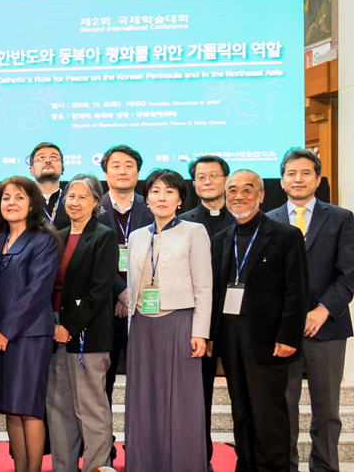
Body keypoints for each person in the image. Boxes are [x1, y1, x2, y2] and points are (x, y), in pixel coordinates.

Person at [209, 170, 309, 472]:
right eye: (232, 190)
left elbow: (297, 291)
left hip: (269, 339)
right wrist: (212, 337)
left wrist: (288, 336)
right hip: (230, 338)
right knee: (240, 411)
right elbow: (215, 291)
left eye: (247, 189)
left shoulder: (285, 235)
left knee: (269, 414)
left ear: (261, 195)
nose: (238, 196)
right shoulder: (221, 239)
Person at [267, 149, 354, 472]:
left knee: (327, 410)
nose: (298, 179)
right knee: (283, 407)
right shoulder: (268, 220)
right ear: (282, 180)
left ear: (318, 179)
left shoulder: (341, 218)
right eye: (291, 173)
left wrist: (322, 310)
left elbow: (348, 274)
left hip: (328, 327)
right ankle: (286, 466)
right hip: (282, 330)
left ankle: (325, 467)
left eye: (306, 173)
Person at [123, 169, 211, 471]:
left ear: (180, 199)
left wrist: (200, 331)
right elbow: (132, 284)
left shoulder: (194, 231)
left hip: (180, 323)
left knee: (181, 401)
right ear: (146, 198)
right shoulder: (137, 236)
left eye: (169, 191)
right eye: (156, 191)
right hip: (142, 325)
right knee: (143, 399)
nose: (162, 197)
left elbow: (204, 287)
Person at [0, 176, 60, 472]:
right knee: (10, 408)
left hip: (29, 335)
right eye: (6, 198)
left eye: (19, 197)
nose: (11, 203)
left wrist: (6, 331)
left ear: (32, 204)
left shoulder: (44, 240)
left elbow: (36, 292)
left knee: (28, 408)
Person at [46, 174, 117, 472]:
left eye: (82, 197)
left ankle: (97, 467)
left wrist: (69, 327)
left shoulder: (103, 236)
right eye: (71, 196)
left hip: (86, 333)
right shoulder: (58, 235)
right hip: (53, 330)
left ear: (95, 202)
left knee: (91, 409)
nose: (74, 202)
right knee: (59, 410)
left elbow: (99, 291)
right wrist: (52, 325)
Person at [178, 155, 234, 470]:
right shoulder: (182, 222)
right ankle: (201, 458)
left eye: (214, 175)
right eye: (201, 177)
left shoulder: (243, 218)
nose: (207, 181)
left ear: (226, 179)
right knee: (199, 396)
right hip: (198, 324)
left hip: (238, 323)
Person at [97, 144, 152, 419]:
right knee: (101, 383)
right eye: (115, 166)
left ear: (138, 173)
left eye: (129, 166)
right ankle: (102, 442)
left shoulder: (152, 207)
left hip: (144, 308)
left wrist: (132, 295)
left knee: (145, 381)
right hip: (103, 309)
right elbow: (91, 261)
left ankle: (142, 439)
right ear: (105, 173)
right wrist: (120, 292)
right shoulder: (92, 208)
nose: (122, 171)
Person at [29, 142, 70, 230]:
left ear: (62, 169)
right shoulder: (24, 202)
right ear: (32, 170)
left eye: (54, 158)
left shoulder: (72, 201)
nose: (48, 161)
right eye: (41, 158)